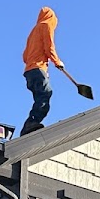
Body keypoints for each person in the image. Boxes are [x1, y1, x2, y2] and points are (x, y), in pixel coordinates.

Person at [20, 7, 63, 136]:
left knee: (39, 97)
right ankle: (32, 122)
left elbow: (25, 56)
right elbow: (49, 47)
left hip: (29, 72)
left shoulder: (33, 32)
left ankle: (28, 126)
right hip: (38, 68)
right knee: (45, 94)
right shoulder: (46, 26)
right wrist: (57, 62)